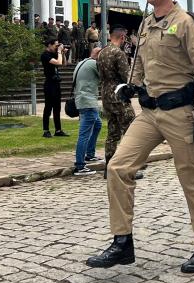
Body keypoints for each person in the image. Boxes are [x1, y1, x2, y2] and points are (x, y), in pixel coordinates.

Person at [87, 0, 194, 274]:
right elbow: (140, 63)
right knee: (118, 167)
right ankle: (122, 243)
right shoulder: (147, 24)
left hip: (181, 113)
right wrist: (133, 86)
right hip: (150, 113)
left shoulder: (187, 24)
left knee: (192, 180)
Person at [97, 25, 139, 178]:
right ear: (122, 37)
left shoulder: (102, 52)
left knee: (112, 133)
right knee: (131, 132)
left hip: (106, 94)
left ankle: (110, 167)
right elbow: (127, 76)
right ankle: (128, 168)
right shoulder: (118, 53)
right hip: (119, 94)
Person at [73, 47, 102, 176]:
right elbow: (105, 77)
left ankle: (90, 154)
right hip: (88, 101)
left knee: (98, 124)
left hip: (83, 100)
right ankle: (80, 165)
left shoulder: (82, 62)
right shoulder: (94, 64)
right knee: (84, 134)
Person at [40, 39, 69, 138]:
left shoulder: (54, 54)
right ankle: (46, 130)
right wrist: (59, 52)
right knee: (48, 108)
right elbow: (58, 63)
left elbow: (64, 64)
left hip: (56, 83)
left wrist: (63, 53)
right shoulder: (45, 55)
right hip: (49, 84)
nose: (56, 47)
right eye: (55, 45)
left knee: (57, 108)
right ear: (49, 45)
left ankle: (58, 130)